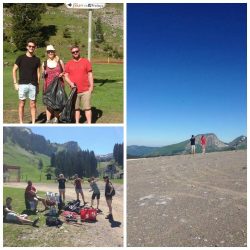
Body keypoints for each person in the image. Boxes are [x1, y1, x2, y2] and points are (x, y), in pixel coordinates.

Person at [12, 39, 41, 124]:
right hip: (22, 84)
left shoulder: (37, 59)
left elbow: (38, 73)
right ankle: (21, 122)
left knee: (33, 104)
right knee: (21, 103)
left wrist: (38, 85)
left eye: (33, 46)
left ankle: (33, 123)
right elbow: (14, 70)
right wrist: (15, 83)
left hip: (33, 84)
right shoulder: (20, 58)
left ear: (35, 48)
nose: (31, 48)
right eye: (30, 46)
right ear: (27, 47)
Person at [64, 45, 94, 124]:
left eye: (76, 51)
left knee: (87, 108)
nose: (75, 53)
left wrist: (91, 86)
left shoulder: (86, 61)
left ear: (79, 51)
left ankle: (89, 123)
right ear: (71, 53)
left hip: (86, 90)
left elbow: (90, 74)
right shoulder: (69, 63)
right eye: (73, 52)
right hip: (74, 91)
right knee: (76, 108)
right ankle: (77, 123)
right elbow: (66, 75)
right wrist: (70, 83)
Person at [42, 45, 65, 123]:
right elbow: (43, 76)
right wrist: (43, 73)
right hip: (48, 86)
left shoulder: (59, 61)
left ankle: (55, 118)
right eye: (49, 52)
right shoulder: (44, 63)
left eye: (52, 51)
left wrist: (62, 74)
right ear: (47, 53)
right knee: (49, 103)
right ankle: (48, 120)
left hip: (59, 86)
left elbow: (64, 72)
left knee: (57, 103)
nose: (50, 53)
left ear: (54, 52)